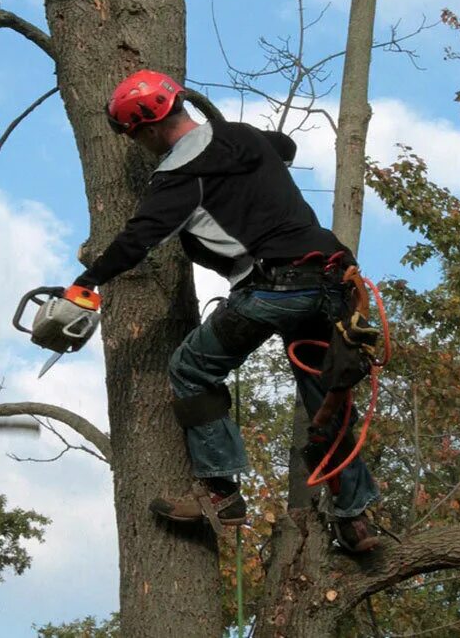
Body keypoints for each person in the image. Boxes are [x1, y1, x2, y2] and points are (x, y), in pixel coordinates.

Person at [73, 69, 380, 552]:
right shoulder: (245, 138)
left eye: (137, 136)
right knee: (325, 400)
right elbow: (285, 147)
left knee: (191, 369)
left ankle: (220, 494)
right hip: (335, 282)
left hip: (275, 286)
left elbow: (138, 240)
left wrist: (85, 284)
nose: (140, 144)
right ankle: (355, 520)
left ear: (149, 129)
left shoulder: (179, 177)